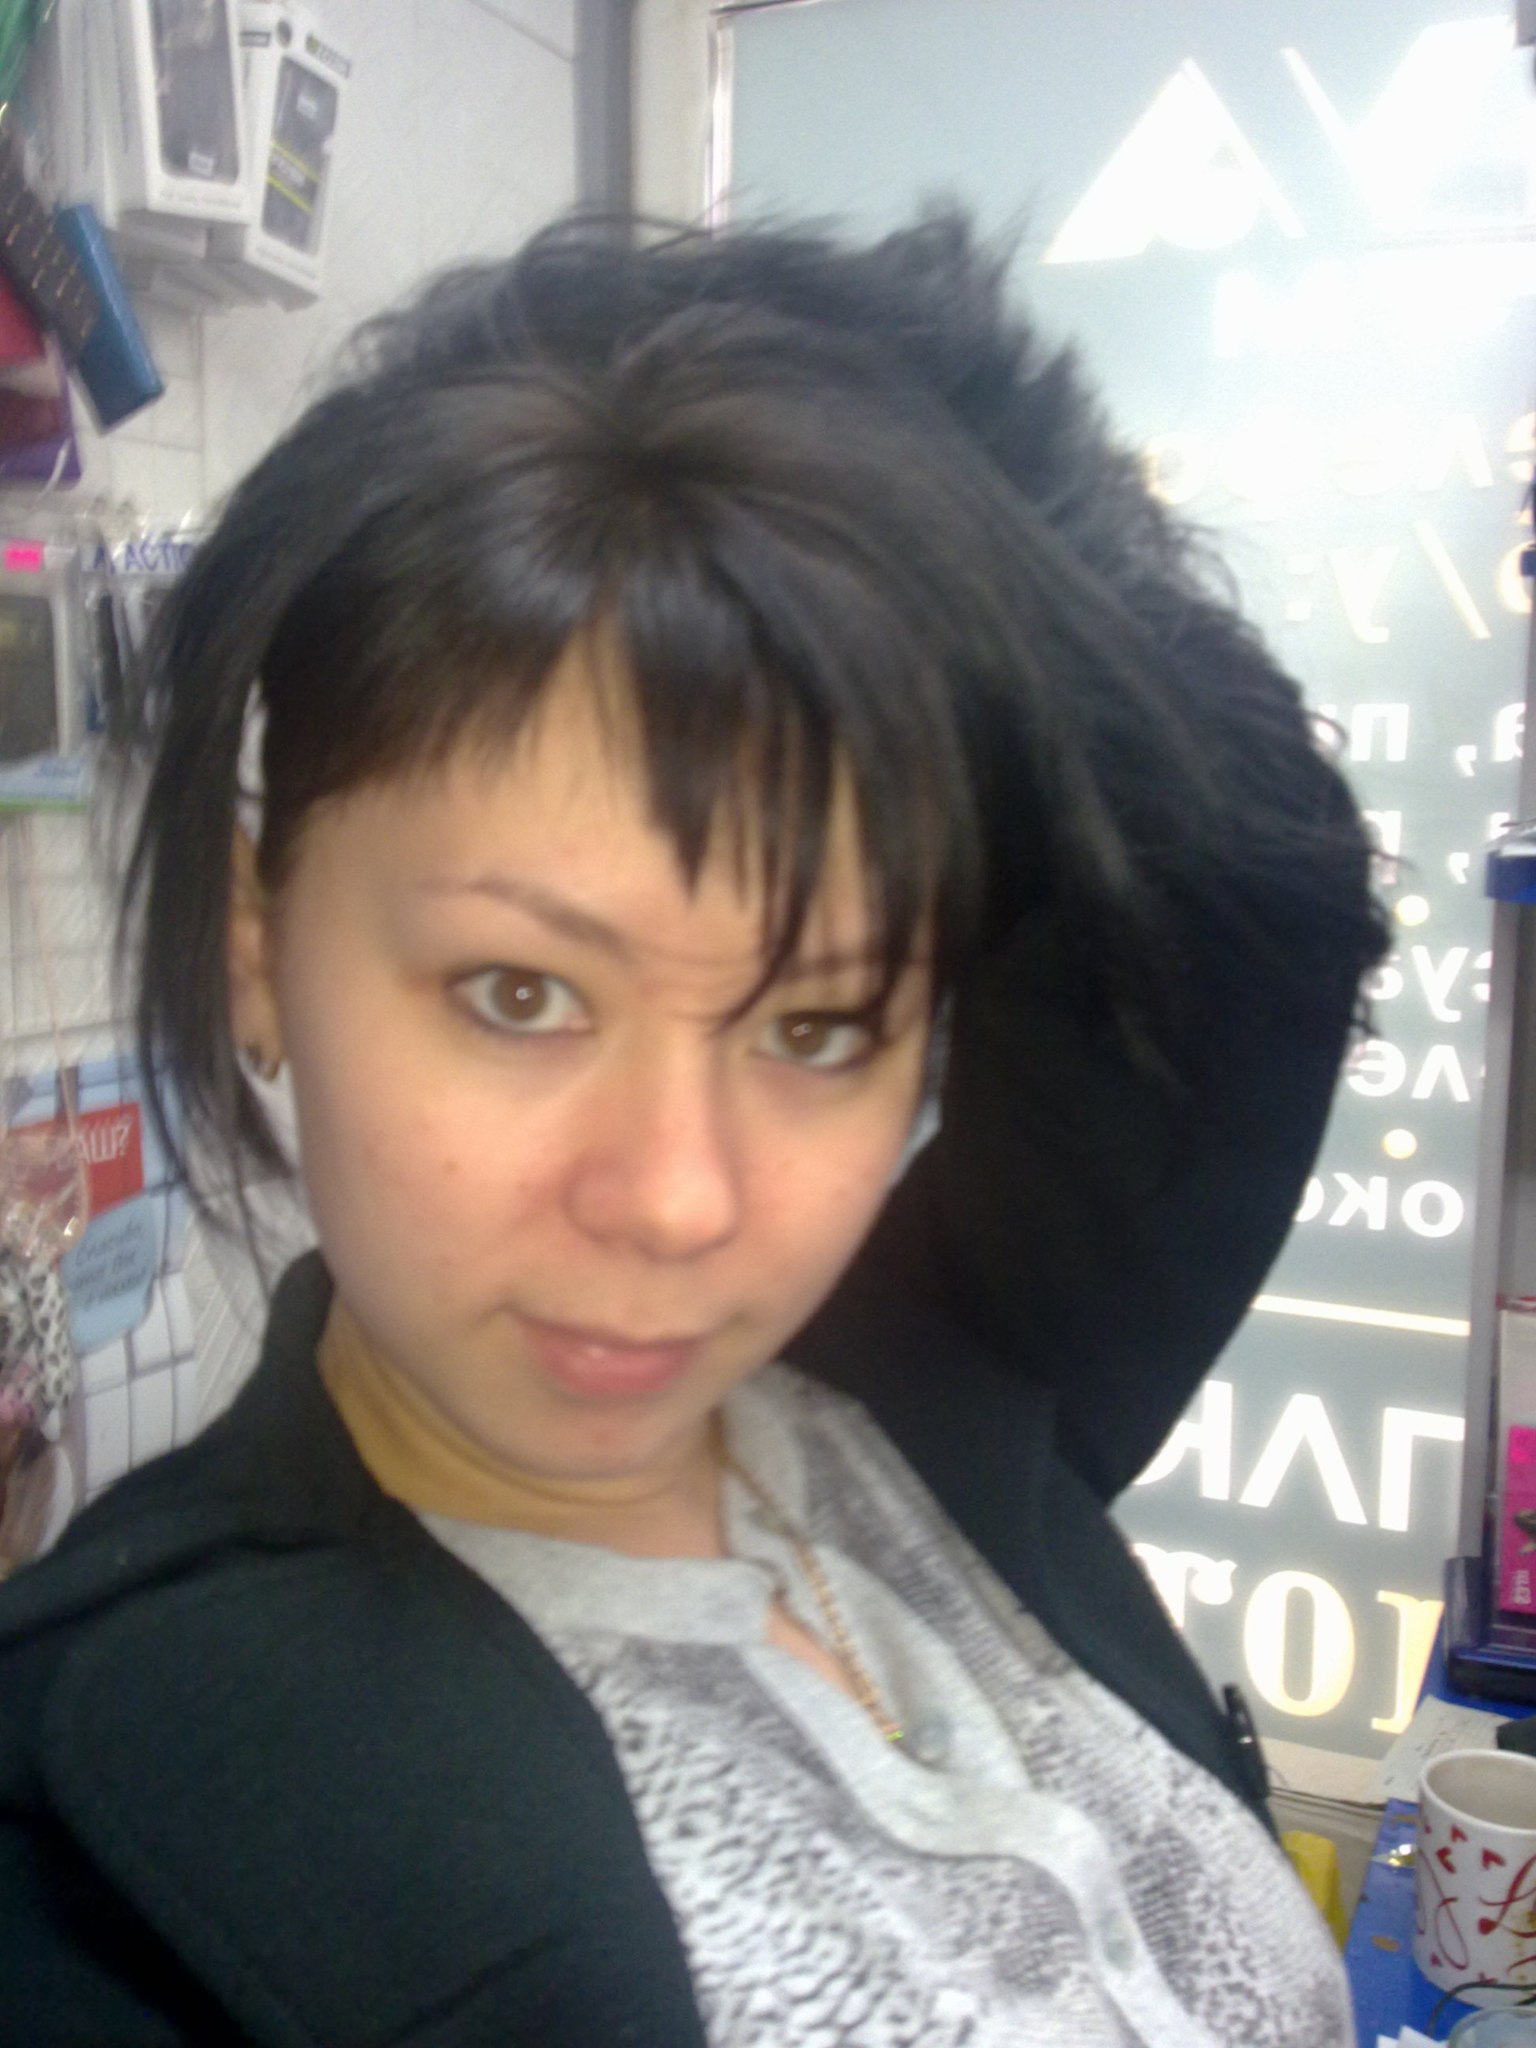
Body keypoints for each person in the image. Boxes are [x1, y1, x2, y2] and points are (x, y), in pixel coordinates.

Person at [0, 208, 1388, 2047]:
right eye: (520, 994)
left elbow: (1247, 900)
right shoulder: (104, 1847)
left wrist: (828, 453)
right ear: (256, 949)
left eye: (815, 1026)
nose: (675, 1201)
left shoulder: (925, 1372)